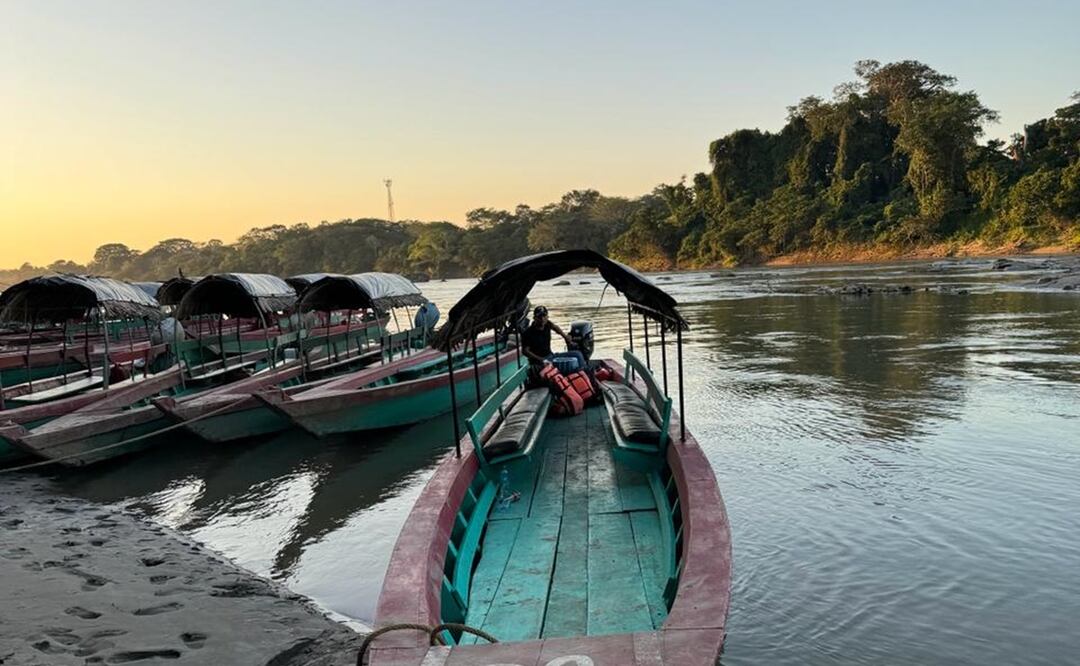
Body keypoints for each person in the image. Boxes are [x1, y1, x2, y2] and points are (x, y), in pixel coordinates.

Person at [522, 305, 587, 372]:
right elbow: (525, 351)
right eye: (539, 317)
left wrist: (565, 337)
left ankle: (585, 373)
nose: (542, 319)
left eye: (544, 316)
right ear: (534, 318)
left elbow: (555, 328)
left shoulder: (547, 324)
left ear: (547, 317)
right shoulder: (528, 333)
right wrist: (541, 359)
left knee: (577, 354)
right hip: (540, 361)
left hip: (551, 356)